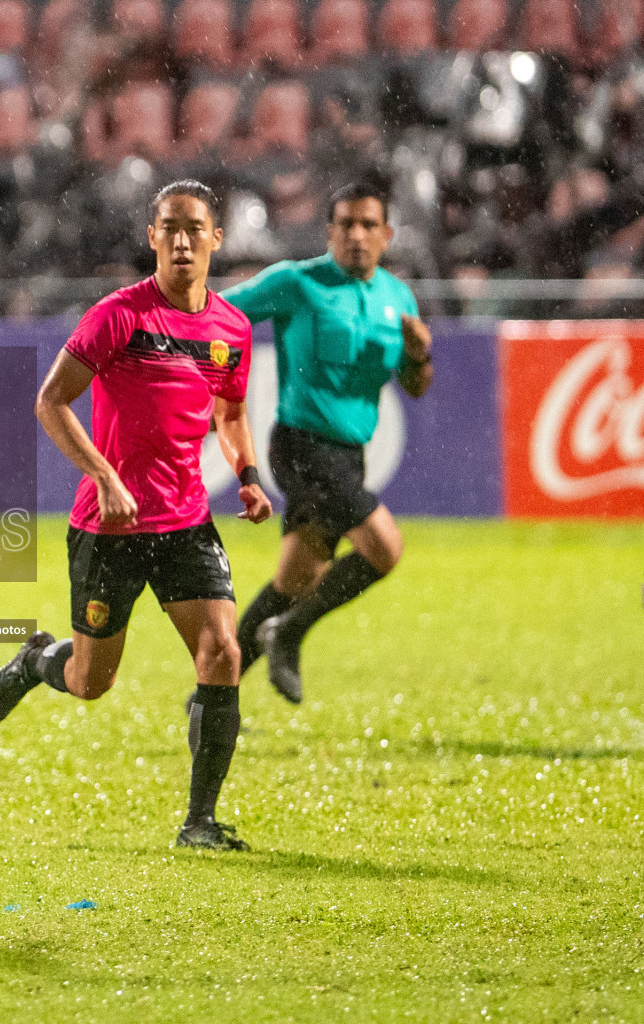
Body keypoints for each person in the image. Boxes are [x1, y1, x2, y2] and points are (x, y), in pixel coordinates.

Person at [0, 180, 273, 851]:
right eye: (168, 227)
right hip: (107, 529)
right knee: (90, 681)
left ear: (215, 240)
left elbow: (228, 411)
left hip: (185, 523)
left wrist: (250, 477)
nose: (180, 240)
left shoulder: (231, 329)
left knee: (222, 650)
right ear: (152, 238)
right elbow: (51, 402)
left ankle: (199, 822)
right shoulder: (119, 316)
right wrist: (104, 475)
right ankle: (35, 664)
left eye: (194, 229)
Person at [221, 179, 434, 704]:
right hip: (301, 445)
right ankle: (289, 634)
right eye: (346, 224)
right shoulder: (298, 283)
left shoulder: (398, 297)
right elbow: (219, 313)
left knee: (292, 581)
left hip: (349, 455)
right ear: (330, 231)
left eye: (368, 225)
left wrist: (420, 357)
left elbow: (415, 385)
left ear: (386, 235)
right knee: (385, 548)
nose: (357, 235)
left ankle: (212, 694)